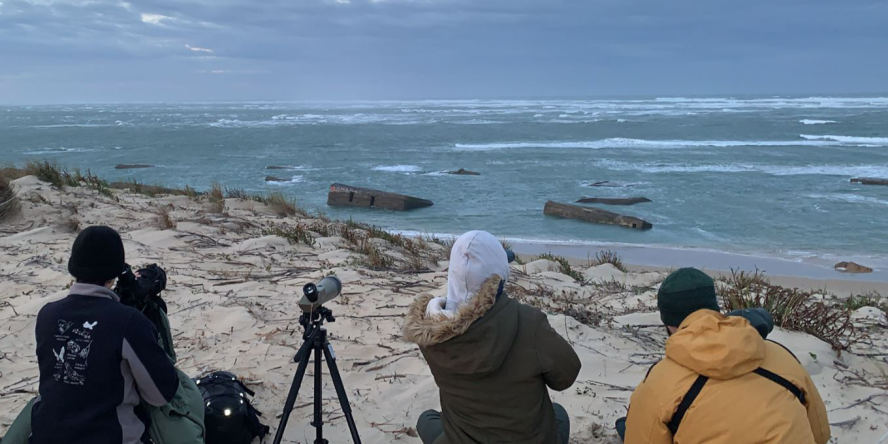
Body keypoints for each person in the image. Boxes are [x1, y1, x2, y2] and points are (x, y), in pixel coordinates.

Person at [403, 230, 582, 444]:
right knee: (558, 413)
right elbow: (567, 375)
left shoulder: (430, 332)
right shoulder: (527, 322)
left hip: (462, 437)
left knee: (427, 420)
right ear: (499, 278)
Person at [621, 268, 830, 444]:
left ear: (668, 324)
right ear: (714, 307)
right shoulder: (781, 355)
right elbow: (821, 434)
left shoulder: (660, 382)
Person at [28, 226, 181, 444]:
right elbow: (160, 395)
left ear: (74, 267)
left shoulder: (47, 315)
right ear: (115, 272)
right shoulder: (128, 322)